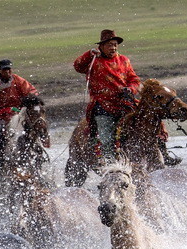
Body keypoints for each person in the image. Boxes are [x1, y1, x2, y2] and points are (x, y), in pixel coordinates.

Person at [72, 30, 179, 167]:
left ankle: (163, 153)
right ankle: (110, 164)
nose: (113, 48)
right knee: (106, 135)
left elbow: (134, 79)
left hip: (125, 101)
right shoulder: (93, 60)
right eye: (110, 44)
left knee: (153, 118)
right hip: (103, 105)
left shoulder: (124, 60)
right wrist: (89, 54)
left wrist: (130, 89)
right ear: (102, 46)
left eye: (115, 44)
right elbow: (77, 66)